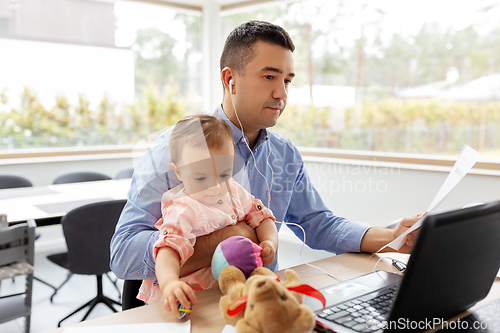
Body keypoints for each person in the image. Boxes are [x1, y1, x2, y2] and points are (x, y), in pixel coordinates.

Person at [110, 20, 423, 303]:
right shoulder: (174, 151)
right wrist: (234, 237)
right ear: (230, 80)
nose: (281, 94)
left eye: (287, 80)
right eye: (270, 76)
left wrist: (392, 237)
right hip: (193, 308)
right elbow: (123, 253)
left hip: (259, 303)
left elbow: (318, 223)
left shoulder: (284, 154)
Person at [137, 115, 278, 315]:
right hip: (189, 300)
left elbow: (262, 217)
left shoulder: (233, 191)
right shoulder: (183, 209)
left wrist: (269, 242)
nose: (214, 186)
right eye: (201, 177)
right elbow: (167, 251)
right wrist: (170, 284)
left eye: (223, 174)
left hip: (223, 295)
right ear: (178, 172)